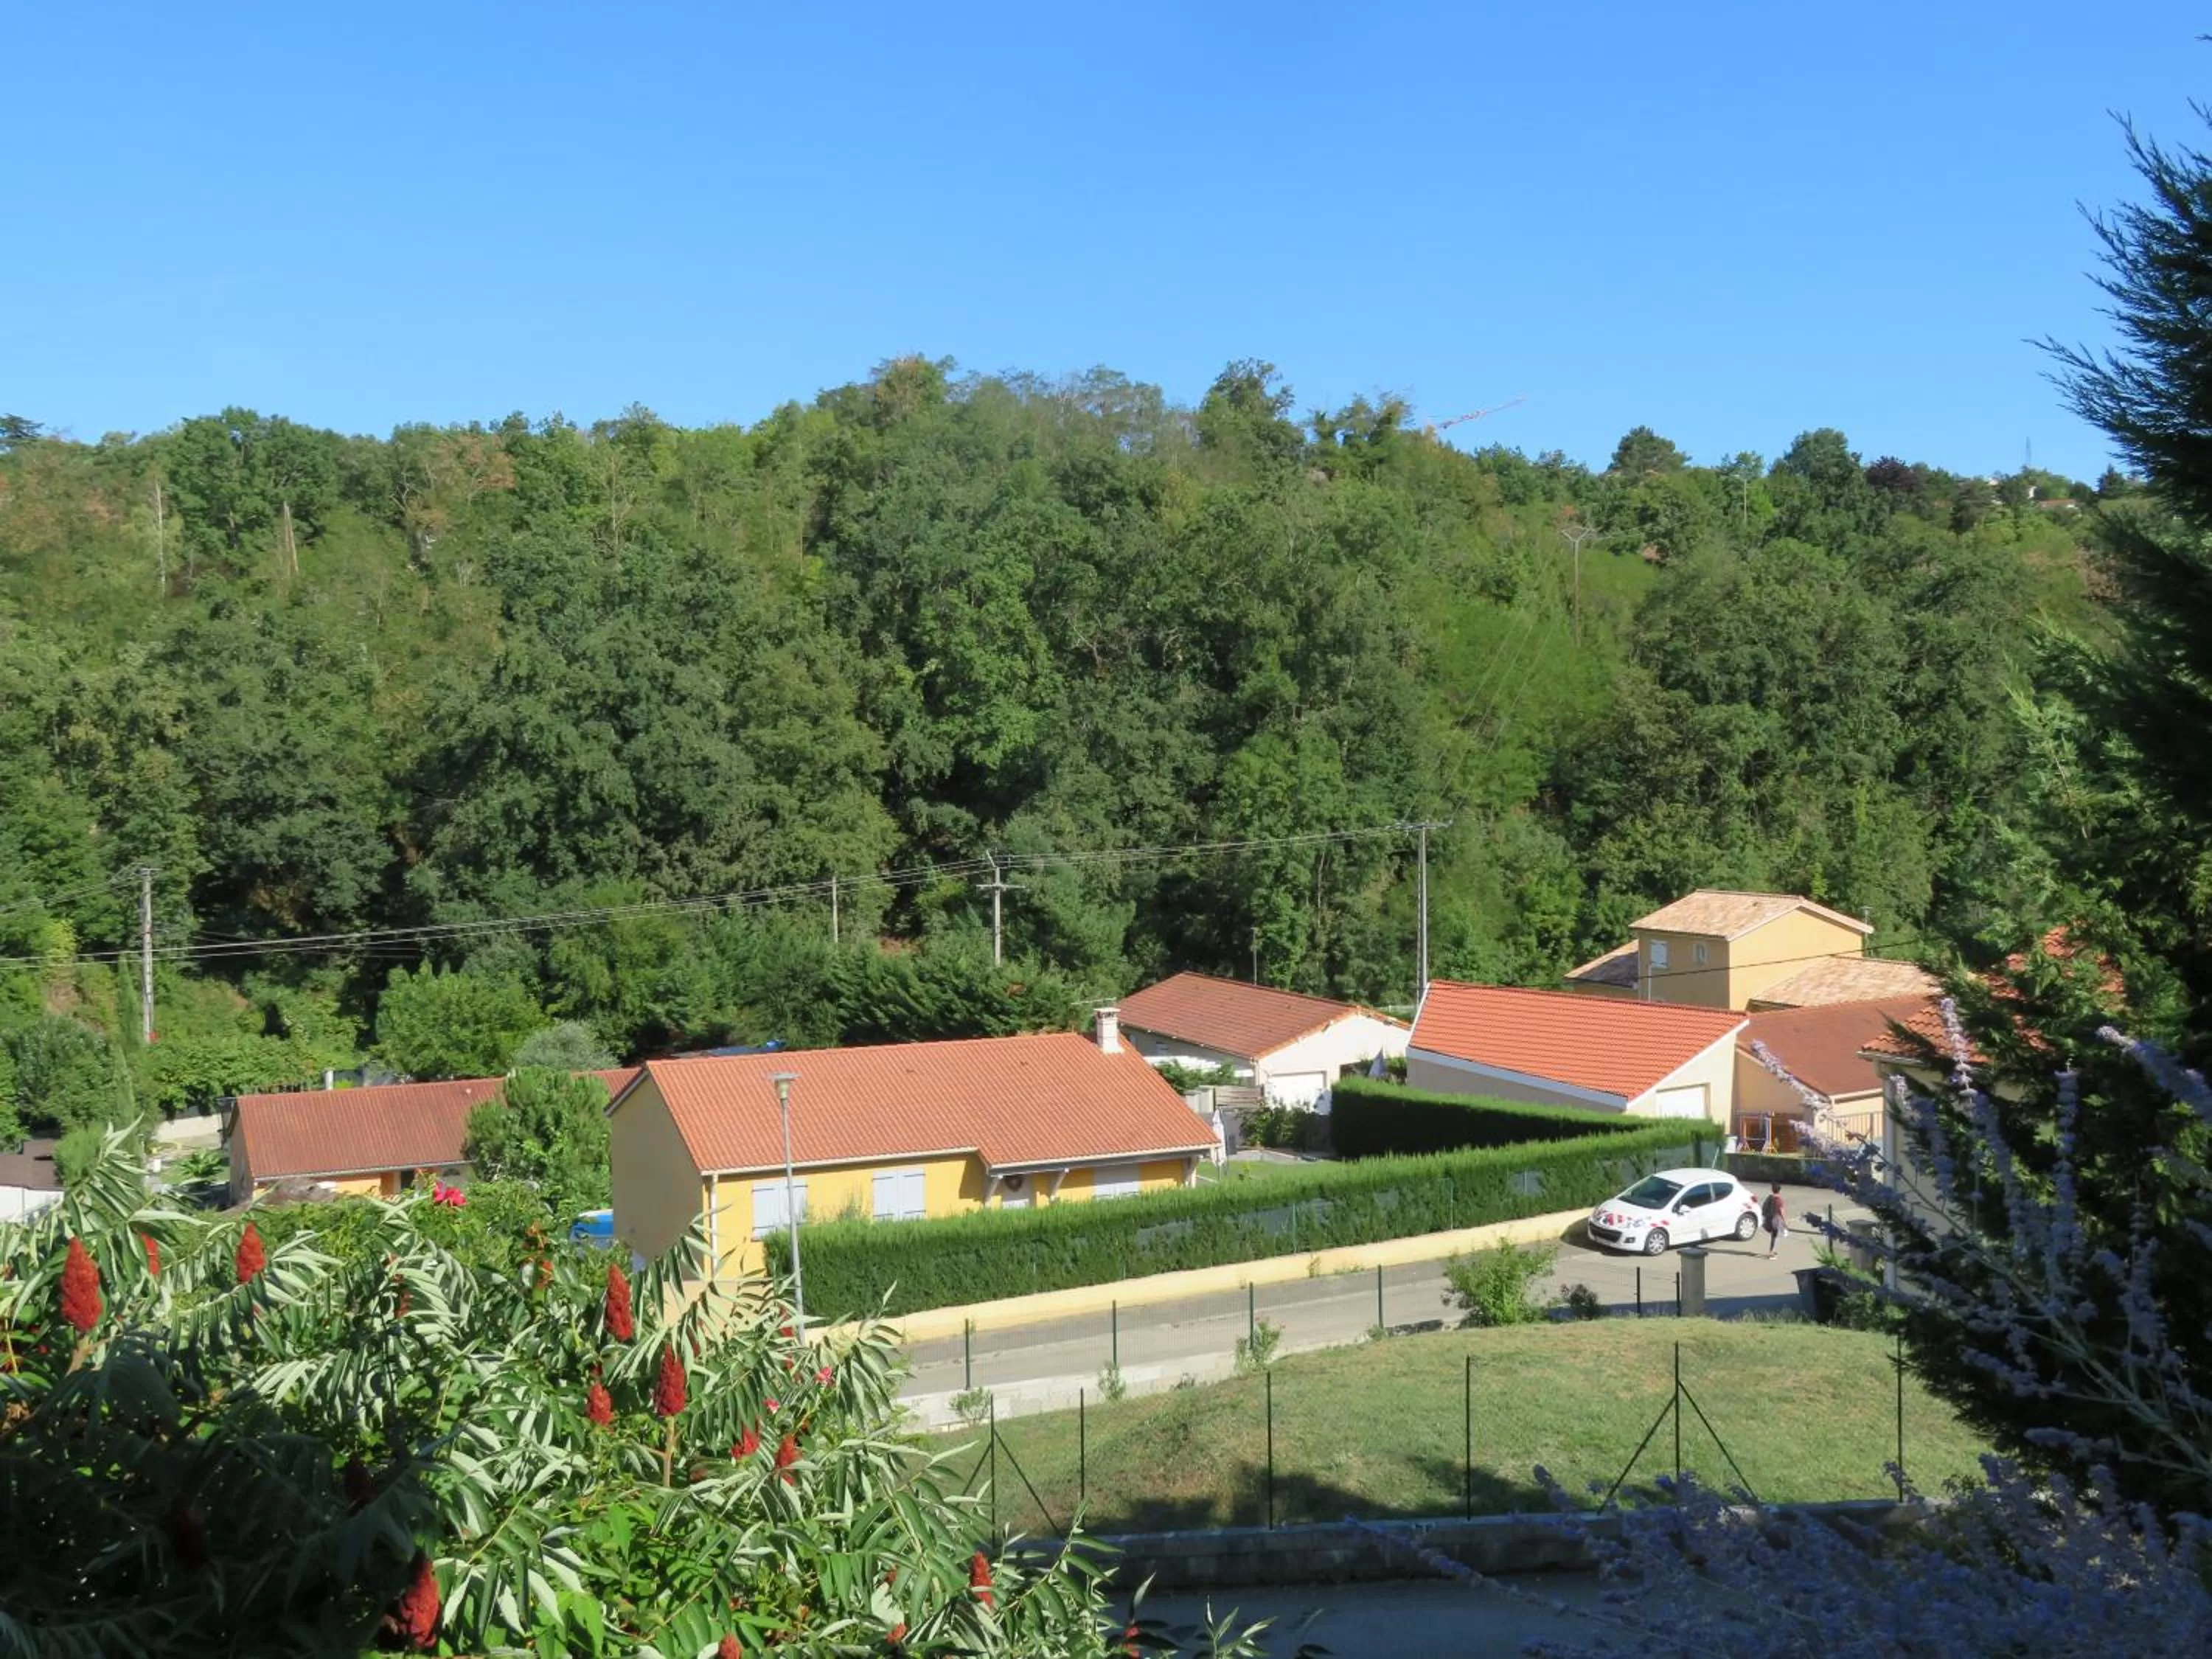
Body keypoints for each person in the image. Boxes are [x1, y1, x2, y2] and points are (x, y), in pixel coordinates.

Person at [1760, 1183, 1787, 1257]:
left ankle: (1772, 1250)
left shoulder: (1769, 1197)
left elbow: (1764, 1207)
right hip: (1776, 1219)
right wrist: (1785, 1221)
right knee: (1775, 1236)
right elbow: (1781, 1211)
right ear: (1780, 1190)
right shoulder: (1780, 1200)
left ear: (1772, 1190)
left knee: (1773, 1235)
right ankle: (1771, 1252)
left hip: (1768, 1218)